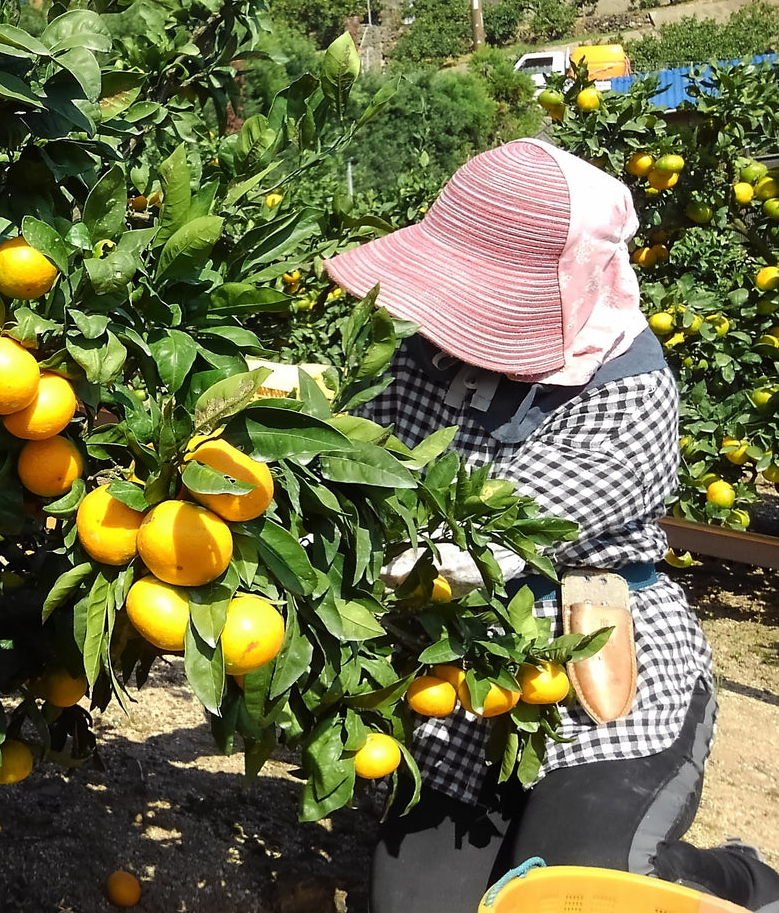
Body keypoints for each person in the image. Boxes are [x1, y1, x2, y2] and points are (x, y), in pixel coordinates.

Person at [322, 138, 779, 913]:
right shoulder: (419, 358)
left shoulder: (628, 383)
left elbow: (531, 518)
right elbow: (361, 463)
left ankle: (739, 879)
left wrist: (440, 557)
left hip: (594, 662)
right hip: (460, 671)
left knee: (581, 888)